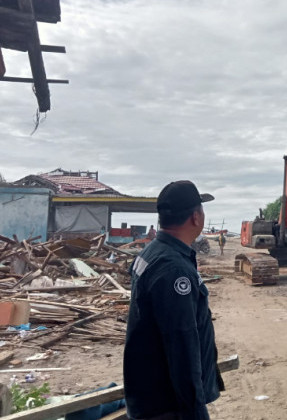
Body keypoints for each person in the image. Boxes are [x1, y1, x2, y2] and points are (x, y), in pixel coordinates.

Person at [124, 180, 223, 420]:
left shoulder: (153, 252)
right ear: (196, 217)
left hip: (154, 396)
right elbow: (182, 346)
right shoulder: (173, 269)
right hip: (168, 406)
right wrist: (196, 412)